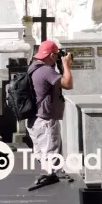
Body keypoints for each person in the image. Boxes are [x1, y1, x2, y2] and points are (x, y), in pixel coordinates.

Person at [27, 40, 74, 189]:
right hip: (45, 120)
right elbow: (68, 84)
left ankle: (48, 176)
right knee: (51, 151)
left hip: (35, 119)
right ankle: (50, 179)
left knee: (42, 152)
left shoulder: (34, 66)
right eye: (56, 55)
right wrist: (66, 65)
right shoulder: (46, 71)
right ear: (52, 55)